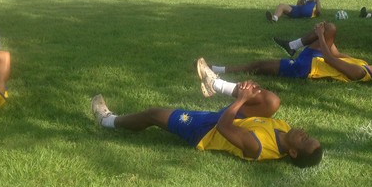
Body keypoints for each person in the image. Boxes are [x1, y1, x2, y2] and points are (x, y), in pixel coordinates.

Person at [91, 58, 323, 168]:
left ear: (292, 152)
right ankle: (217, 83)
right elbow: (260, 109)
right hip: (238, 120)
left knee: (154, 114)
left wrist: (243, 98)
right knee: (272, 100)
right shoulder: (284, 130)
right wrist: (253, 93)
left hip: (209, 129)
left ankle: (108, 121)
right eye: (308, 134)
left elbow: (224, 127)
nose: (303, 132)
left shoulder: (259, 147)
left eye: (304, 139)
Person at [209, 22, 372, 83]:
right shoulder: (363, 63)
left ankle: (217, 71)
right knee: (330, 27)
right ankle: (293, 45)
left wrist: (319, 36)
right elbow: (337, 53)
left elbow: (330, 59)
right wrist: (324, 34)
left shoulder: (359, 73)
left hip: (306, 68)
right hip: (314, 58)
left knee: (258, 66)